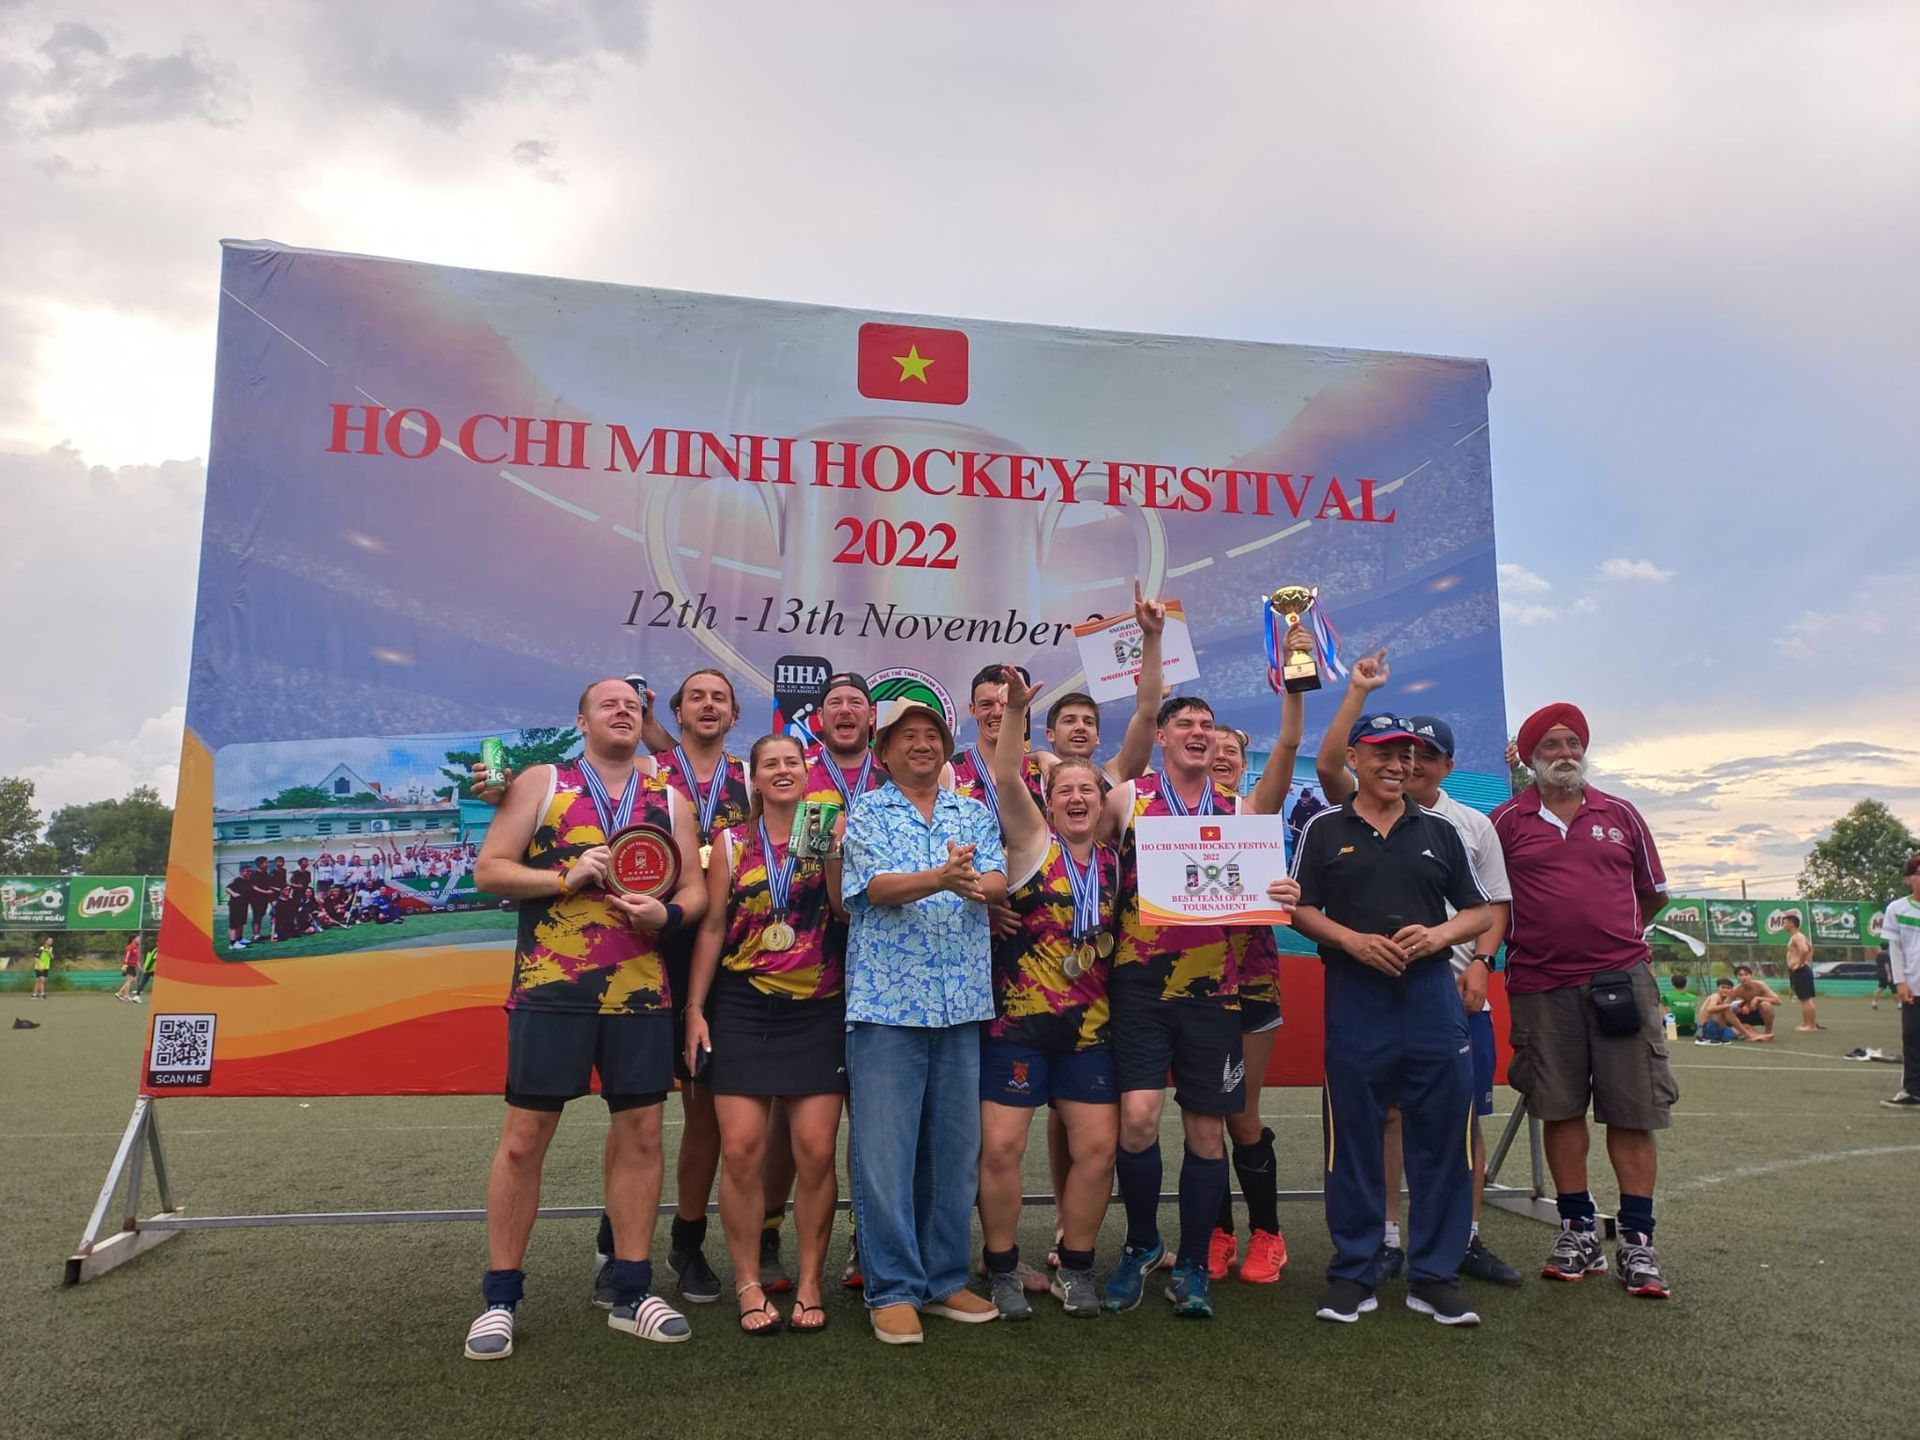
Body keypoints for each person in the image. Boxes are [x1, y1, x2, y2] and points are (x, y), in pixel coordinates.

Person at [462, 677, 708, 1360]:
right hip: (553, 988)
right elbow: (490, 869)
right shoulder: (542, 781)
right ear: (581, 720)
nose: (624, 712)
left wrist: (671, 914)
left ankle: (631, 1290)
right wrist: (560, 879)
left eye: (633, 706)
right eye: (610, 704)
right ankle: (501, 1298)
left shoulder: (669, 799)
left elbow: (691, 885)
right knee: (522, 1140)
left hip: (640, 992)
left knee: (642, 1135)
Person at [1096, 689, 1300, 1320]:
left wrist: (1280, 888)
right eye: (1184, 723)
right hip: (1139, 988)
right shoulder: (1129, 798)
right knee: (1136, 1119)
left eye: (1207, 725)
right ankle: (1140, 1244)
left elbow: (1288, 750)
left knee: (1208, 1132)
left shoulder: (1238, 808)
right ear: (1161, 736)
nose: (1197, 731)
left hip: (1216, 994)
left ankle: (1191, 1264)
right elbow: (1082, 858)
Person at [1290, 713, 1495, 1327]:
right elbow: (1299, 908)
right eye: (1384, 753)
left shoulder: (1440, 829)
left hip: (1431, 999)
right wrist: (1351, 941)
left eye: (1406, 755)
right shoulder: (1324, 828)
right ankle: (1353, 1273)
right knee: (1352, 1139)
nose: (1398, 765)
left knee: (1443, 1140)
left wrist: (1436, 936)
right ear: (1354, 758)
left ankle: (1434, 1277)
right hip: (1356, 996)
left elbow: (1479, 912)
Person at [1492, 702, 1676, 1300]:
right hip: (1541, 985)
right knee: (1560, 1105)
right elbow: (1490, 900)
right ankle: (1576, 1230)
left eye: (1573, 742)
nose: (1564, 752)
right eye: (1550, 744)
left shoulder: (1620, 813)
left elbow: (1652, 897)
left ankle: (1639, 1242)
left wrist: (1612, 941)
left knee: (1632, 1108)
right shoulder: (1505, 821)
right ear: (1531, 757)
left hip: (1619, 982)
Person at [840, 698, 1007, 1345]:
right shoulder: (869, 810)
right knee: (884, 1154)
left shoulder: (972, 811)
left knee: (952, 1154)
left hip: (960, 1002)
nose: (922, 745)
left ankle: (942, 1280)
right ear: (883, 753)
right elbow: (874, 888)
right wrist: (942, 877)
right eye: (907, 737)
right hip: (888, 1006)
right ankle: (891, 1288)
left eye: (932, 735)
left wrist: (978, 885)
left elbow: (996, 878)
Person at [684, 734, 848, 1336]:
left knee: (815, 1152)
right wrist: (695, 1009)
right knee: (745, 1150)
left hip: (818, 1009)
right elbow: (712, 928)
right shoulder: (729, 841)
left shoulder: (831, 830)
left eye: (792, 763)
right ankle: (749, 1282)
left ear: (807, 774)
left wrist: (834, 854)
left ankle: (808, 1282)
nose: (782, 772)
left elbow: (844, 911)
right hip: (743, 1007)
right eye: (770, 765)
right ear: (752, 778)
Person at [975, 669, 1122, 1321]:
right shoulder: (1034, 843)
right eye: (1065, 790)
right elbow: (1007, 775)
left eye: (1087, 788)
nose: (1078, 797)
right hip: (1019, 1027)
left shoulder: (1121, 863)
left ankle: (1079, 1267)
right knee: (1002, 1149)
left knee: (1097, 1149)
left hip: (1090, 1034)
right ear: (1050, 800)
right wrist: (1016, 716)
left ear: (1102, 798)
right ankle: (1003, 1268)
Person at [640, 668, 751, 1306]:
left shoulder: (750, 780)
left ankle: (686, 1240)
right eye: (697, 698)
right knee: (640, 1110)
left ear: (734, 715)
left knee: (705, 1109)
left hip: (725, 957)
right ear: (677, 712)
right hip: (648, 951)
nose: (709, 706)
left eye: (720, 698)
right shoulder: (649, 775)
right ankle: (616, 1238)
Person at [1204, 671, 1307, 1288]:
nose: (1219, 757)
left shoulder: (1252, 810)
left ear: (1246, 767)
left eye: (1231, 753)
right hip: (1185, 984)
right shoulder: (1161, 815)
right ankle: (1216, 1233)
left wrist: (1293, 684)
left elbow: (1290, 747)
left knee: (1241, 1111)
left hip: (1249, 981)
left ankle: (1267, 1233)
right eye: (1209, 747)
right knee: (1200, 1112)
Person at [792, 670, 887, 1292]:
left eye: (858, 702)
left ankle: (868, 1240)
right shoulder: (793, 770)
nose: (847, 710)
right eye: (835, 703)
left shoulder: (898, 775)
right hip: (807, 964)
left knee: (877, 1116)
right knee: (799, 1124)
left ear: (871, 719)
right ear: (819, 719)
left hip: (886, 963)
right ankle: (776, 1233)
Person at [1880, 856, 1920, 1109]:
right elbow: (1895, 949)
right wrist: (1900, 982)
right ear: (1908, 878)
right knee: (1913, 1037)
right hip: (1913, 986)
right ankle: (1913, 1091)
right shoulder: (1897, 908)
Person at [1782, 912, 1821, 1031]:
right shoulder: (1798, 936)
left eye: (1785, 923)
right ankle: (1806, 1023)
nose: (1783, 925)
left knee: (1806, 999)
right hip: (1799, 970)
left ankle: (1811, 1026)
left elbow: (1804, 950)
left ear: (1791, 924)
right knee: (1803, 999)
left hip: (1800, 971)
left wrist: (1799, 963)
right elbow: (1810, 949)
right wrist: (1805, 961)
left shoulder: (1797, 936)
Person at [1730, 965, 1783, 1040]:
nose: (1744, 977)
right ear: (1736, 977)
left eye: (1746, 974)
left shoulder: (1760, 985)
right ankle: (1747, 1032)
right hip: (1746, 1014)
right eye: (1740, 975)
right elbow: (1726, 1004)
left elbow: (1778, 1001)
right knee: (1730, 1010)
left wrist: (1758, 998)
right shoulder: (1736, 990)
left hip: (1760, 1014)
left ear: (1751, 975)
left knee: (1766, 1004)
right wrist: (1739, 1007)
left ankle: (1768, 1033)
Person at [1694, 979, 1743, 1044]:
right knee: (1726, 1008)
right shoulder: (1715, 996)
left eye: (1728, 988)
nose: (1725, 990)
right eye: (1722, 987)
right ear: (1718, 988)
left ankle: (1756, 1037)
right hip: (1709, 1027)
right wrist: (1730, 1005)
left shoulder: (1726, 1000)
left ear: (1731, 990)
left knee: (1746, 1027)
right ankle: (1706, 1039)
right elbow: (1710, 1008)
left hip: (1720, 1029)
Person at [114, 934, 142, 1002]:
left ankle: (120, 993)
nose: (139, 940)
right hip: (129, 966)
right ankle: (125, 995)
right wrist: (125, 966)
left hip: (133, 966)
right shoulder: (129, 947)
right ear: (133, 939)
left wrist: (140, 967)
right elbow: (127, 957)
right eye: (138, 938)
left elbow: (136, 959)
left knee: (132, 980)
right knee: (129, 981)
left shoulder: (136, 947)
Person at [1872, 942, 1895, 1009]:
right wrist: (1889, 975)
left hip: (1880, 974)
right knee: (1894, 990)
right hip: (1887, 975)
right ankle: (1900, 1004)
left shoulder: (1878, 955)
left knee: (1880, 988)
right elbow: (1886, 965)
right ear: (1888, 947)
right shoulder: (1886, 955)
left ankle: (1874, 1002)